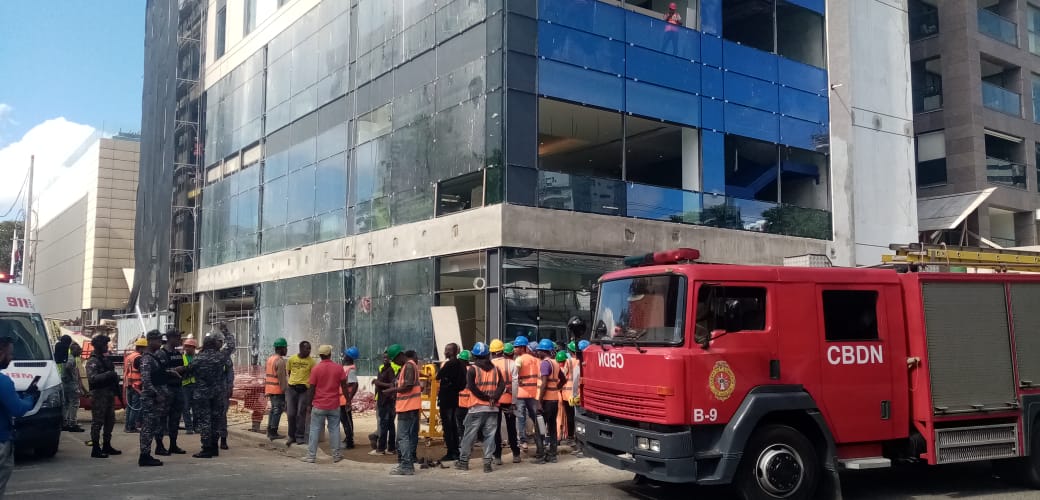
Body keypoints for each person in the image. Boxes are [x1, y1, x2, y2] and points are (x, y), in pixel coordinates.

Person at [455, 342, 505, 473]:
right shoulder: (495, 369)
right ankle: (487, 463)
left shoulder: (473, 369)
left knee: (469, 435)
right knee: (490, 436)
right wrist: (494, 398)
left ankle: (463, 461)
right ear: (488, 354)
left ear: (474, 356)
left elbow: (472, 387)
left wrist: (485, 398)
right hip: (492, 408)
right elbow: (502, 385)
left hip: (476, 408)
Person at [0, 337, 40, 495]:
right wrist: (30, 397)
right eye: (10, 354)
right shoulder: (3, 381)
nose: (11, 359)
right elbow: (18, 409)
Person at [302, 345, 351, 464]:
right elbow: (344, 386)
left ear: (320, 355)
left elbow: (311, 389)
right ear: (330, 354)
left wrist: (309, 405)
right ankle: (336, 455)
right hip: (334, 404)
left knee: (314, 430)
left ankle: (311, 456)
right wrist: (348, 400)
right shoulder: (338, 368)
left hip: (318, 405)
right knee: (334, 430)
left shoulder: (316, 369)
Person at [185, 334, 227, 458]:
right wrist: (226, 331)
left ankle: (206, 448)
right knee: (216, 420)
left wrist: (177, 371)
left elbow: (188, 370)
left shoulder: (199, 358)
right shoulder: (221, 357)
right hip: (218, 394)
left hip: (202, 394)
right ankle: (214, 447)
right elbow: (231, 346)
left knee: (205, 421)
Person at [383, 344, 419, 476]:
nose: (394, 362)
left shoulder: (409, 366)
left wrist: (391, 390)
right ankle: (407, 464)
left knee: (402, 437)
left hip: (408, 407)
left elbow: (408, 386)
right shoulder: (408, 366)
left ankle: (406, 465)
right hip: (410, 406)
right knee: (406, 437)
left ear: (399, 356)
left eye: (394, 359)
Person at [85, 335, 121, 458]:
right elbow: (92, 379)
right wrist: (108, 374)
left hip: (109, 394)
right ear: (99, 346)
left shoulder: (105, 360)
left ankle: (107, 445)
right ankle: (96, 448)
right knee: (98, 422)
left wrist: (115, 377)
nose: (107, 347)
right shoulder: (93, 361)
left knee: (110, 421)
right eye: (105, 345)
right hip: (99, 395)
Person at [138, 330, 166, 467]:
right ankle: (144, 455)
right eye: (158, 340)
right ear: (151, 340)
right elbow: (146, 381)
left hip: (155, 398)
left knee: (152, 426)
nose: (160, 343)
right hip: (151, 399)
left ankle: (147, 454)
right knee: (148, 427)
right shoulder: (147, 358)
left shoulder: (153, 357)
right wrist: (157, 394)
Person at [156, 329, 186, 456]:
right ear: (171, 338)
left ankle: (173, 444)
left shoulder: (178, 353)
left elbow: (183, 369)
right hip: (166, 389)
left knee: (175, 419)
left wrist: (185, 369)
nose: (180, 339)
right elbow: (158, 372)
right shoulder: (161, 354)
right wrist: (174, 370)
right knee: (162, 418)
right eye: (178, 337)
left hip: (178, 388)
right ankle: (159, 445)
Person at [533, 339, 563, 464]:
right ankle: (552, 455)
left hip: (545, 402)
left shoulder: (545, 363)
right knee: (552, 428)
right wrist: (556, 388)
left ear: (542, 351)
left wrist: (539, 402)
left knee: (539, 428)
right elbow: (563, 378)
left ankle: (540, 456)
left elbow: (544, 383)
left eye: (539, 350)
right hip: (554, 400)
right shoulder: (555, 363)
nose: (537, 352)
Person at [491, 340, 520, 464]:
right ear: (502, 351)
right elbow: (515, 383)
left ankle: (497, 456)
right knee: (511, 427)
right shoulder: (511, 363)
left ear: (492, 353)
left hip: (495, 400)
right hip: (509, 400)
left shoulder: (490, 364)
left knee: (495, 429)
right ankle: (516, 454)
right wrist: (514, 401)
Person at [435, 342, 465, 462]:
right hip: (455, 398)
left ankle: (451, 452)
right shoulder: (462, 364)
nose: (445, 352)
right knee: (453, 425)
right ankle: (456, 451)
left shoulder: (449, 364)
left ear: (453, 352)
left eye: (447, 350)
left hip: (447, 399)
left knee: (448, 426)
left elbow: (438, 376)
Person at [513, 335, 541, 457]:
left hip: (521, 393)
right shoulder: (537, 360)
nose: (514, 349)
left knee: (521, 418)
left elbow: (515, 374)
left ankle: (523, 442)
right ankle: (541, 439)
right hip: (534, 393)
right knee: (536, 417)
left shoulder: (519, 360)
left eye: (516, 347)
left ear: (522, 348)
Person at [285, 340, 316, 446]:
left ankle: (299, 436)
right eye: (307, 348)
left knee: (301, 413)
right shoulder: (292, 359)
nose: (309, 350)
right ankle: (291, 436)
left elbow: (313, 377)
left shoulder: (312, 362)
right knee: (290, 413)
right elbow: (289, 372)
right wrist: (294, 382)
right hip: (292, 389)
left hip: (304, 390)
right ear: (301, 348)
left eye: (309, 348)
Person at [561, 317, 586, 446]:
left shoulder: (570, 362)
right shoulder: (584, 362)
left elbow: (565, 375)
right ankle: (578, 439)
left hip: (570, 394)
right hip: (581, 395)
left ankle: (573, 438)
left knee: (571, 418)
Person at [370, 352, 397, 456]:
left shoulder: (390, 370)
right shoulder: (384, 369)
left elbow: (391, 385)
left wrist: (378, 382)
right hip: (384, 400)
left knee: (384, 425)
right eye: (384, 357)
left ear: (391, 359)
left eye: (387, 357)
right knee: (390, 424)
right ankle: (391, 448)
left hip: (386, 401)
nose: (385, 359)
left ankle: (381, 448)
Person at [265, 337, 289, 440]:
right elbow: (281, 379)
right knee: (277, 410)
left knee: (273, 410)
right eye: (285, 348)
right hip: (277, 389)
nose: (286, 350)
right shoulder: (280, 361)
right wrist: (285, 391)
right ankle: (273, 432)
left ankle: (270, 429)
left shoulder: (270, 358)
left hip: (270, 388)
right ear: (281, 348)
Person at [60, 342, 85, 432]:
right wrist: (72, 377)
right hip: (71, 385)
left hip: (65, 384)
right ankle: (73, 424)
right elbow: (68, 367)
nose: (80, 351)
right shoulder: (71, 359)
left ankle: (65, 423)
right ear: (73, 350)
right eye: (78, 350)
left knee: (66, 404)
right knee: (75, 404)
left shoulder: (67, 357)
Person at [123, 337, 146, 433]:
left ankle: (127, 426)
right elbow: (142, 371)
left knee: (130, 407)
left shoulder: (129, 356)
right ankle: (131, 427)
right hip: (136, 385)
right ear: (141, 348)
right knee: (135, 408)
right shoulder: (139, 358)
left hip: (129, 383)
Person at [339, 346, 359, 449]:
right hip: (342, 398)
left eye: (346, 355)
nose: (343, 356)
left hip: (344, 398)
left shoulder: (350, 370)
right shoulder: (346, 367)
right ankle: (348, 438)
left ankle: (350, 441)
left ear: (349, 357)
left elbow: (355, 384)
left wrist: (348, 400)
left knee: (346, 420)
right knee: (345, 419)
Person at [180, 338, 198, 435]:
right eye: (185, 346)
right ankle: (189, 427)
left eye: (189, 347)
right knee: (186, 407)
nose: (186, 348)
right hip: (185, 385)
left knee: (196, 407)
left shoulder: (198, 357)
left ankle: (196, 427)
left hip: (196, 385)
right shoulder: (181, 357)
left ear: (193, 348)